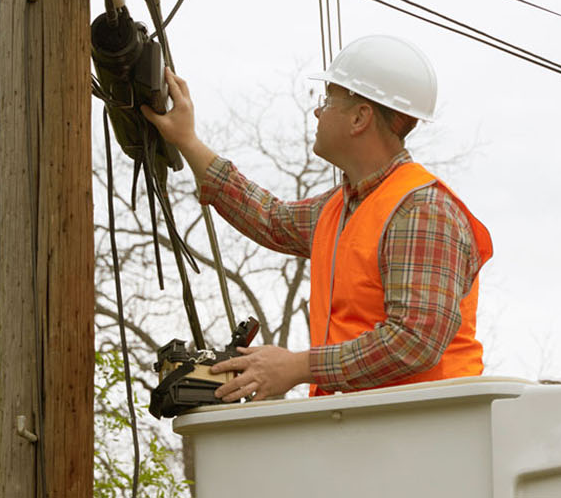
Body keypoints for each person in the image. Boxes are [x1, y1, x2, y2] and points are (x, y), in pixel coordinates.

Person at [142, 35, 493, 401]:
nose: (317, 111)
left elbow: (414, 340)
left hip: (434, 431)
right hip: (374, 429)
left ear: (360, 117)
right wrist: (187, 140)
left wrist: (297, 366)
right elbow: (271, 219)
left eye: (328, 100)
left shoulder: (422, 211)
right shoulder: (342, 208)